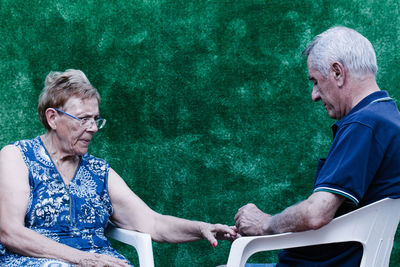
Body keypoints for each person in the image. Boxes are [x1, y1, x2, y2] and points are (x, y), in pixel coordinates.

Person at [0, 69, 236, 267]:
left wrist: (201, 228)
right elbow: (10, 232)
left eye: (95, 119)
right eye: (83, 119)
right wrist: (84, 259)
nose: (92, 128)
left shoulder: (98, 171)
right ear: (52, 118)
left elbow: (153, 223)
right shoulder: (17, 157)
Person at [234, 26, 400, 266]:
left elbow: (316, 213)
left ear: (337, 72)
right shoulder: (388, 116)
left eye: (315, 81)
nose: (314, 95)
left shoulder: (365, 124)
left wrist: (264, 224)